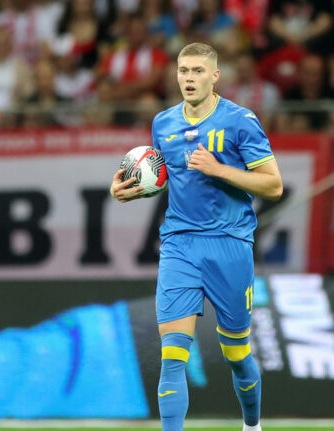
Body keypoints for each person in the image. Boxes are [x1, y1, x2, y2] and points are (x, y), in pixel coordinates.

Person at [109, 42, 283, 431]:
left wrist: (221, 170)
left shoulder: (240, 121)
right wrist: (123, 189)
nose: (189, 78)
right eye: (183, 70)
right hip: (179, 244)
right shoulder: (163, 124)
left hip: (231, 245)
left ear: (215, 76)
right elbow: (158, 175)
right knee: (173, 355)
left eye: (198, 71)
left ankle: (252, 426)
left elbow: (273, 186)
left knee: (236, 353)